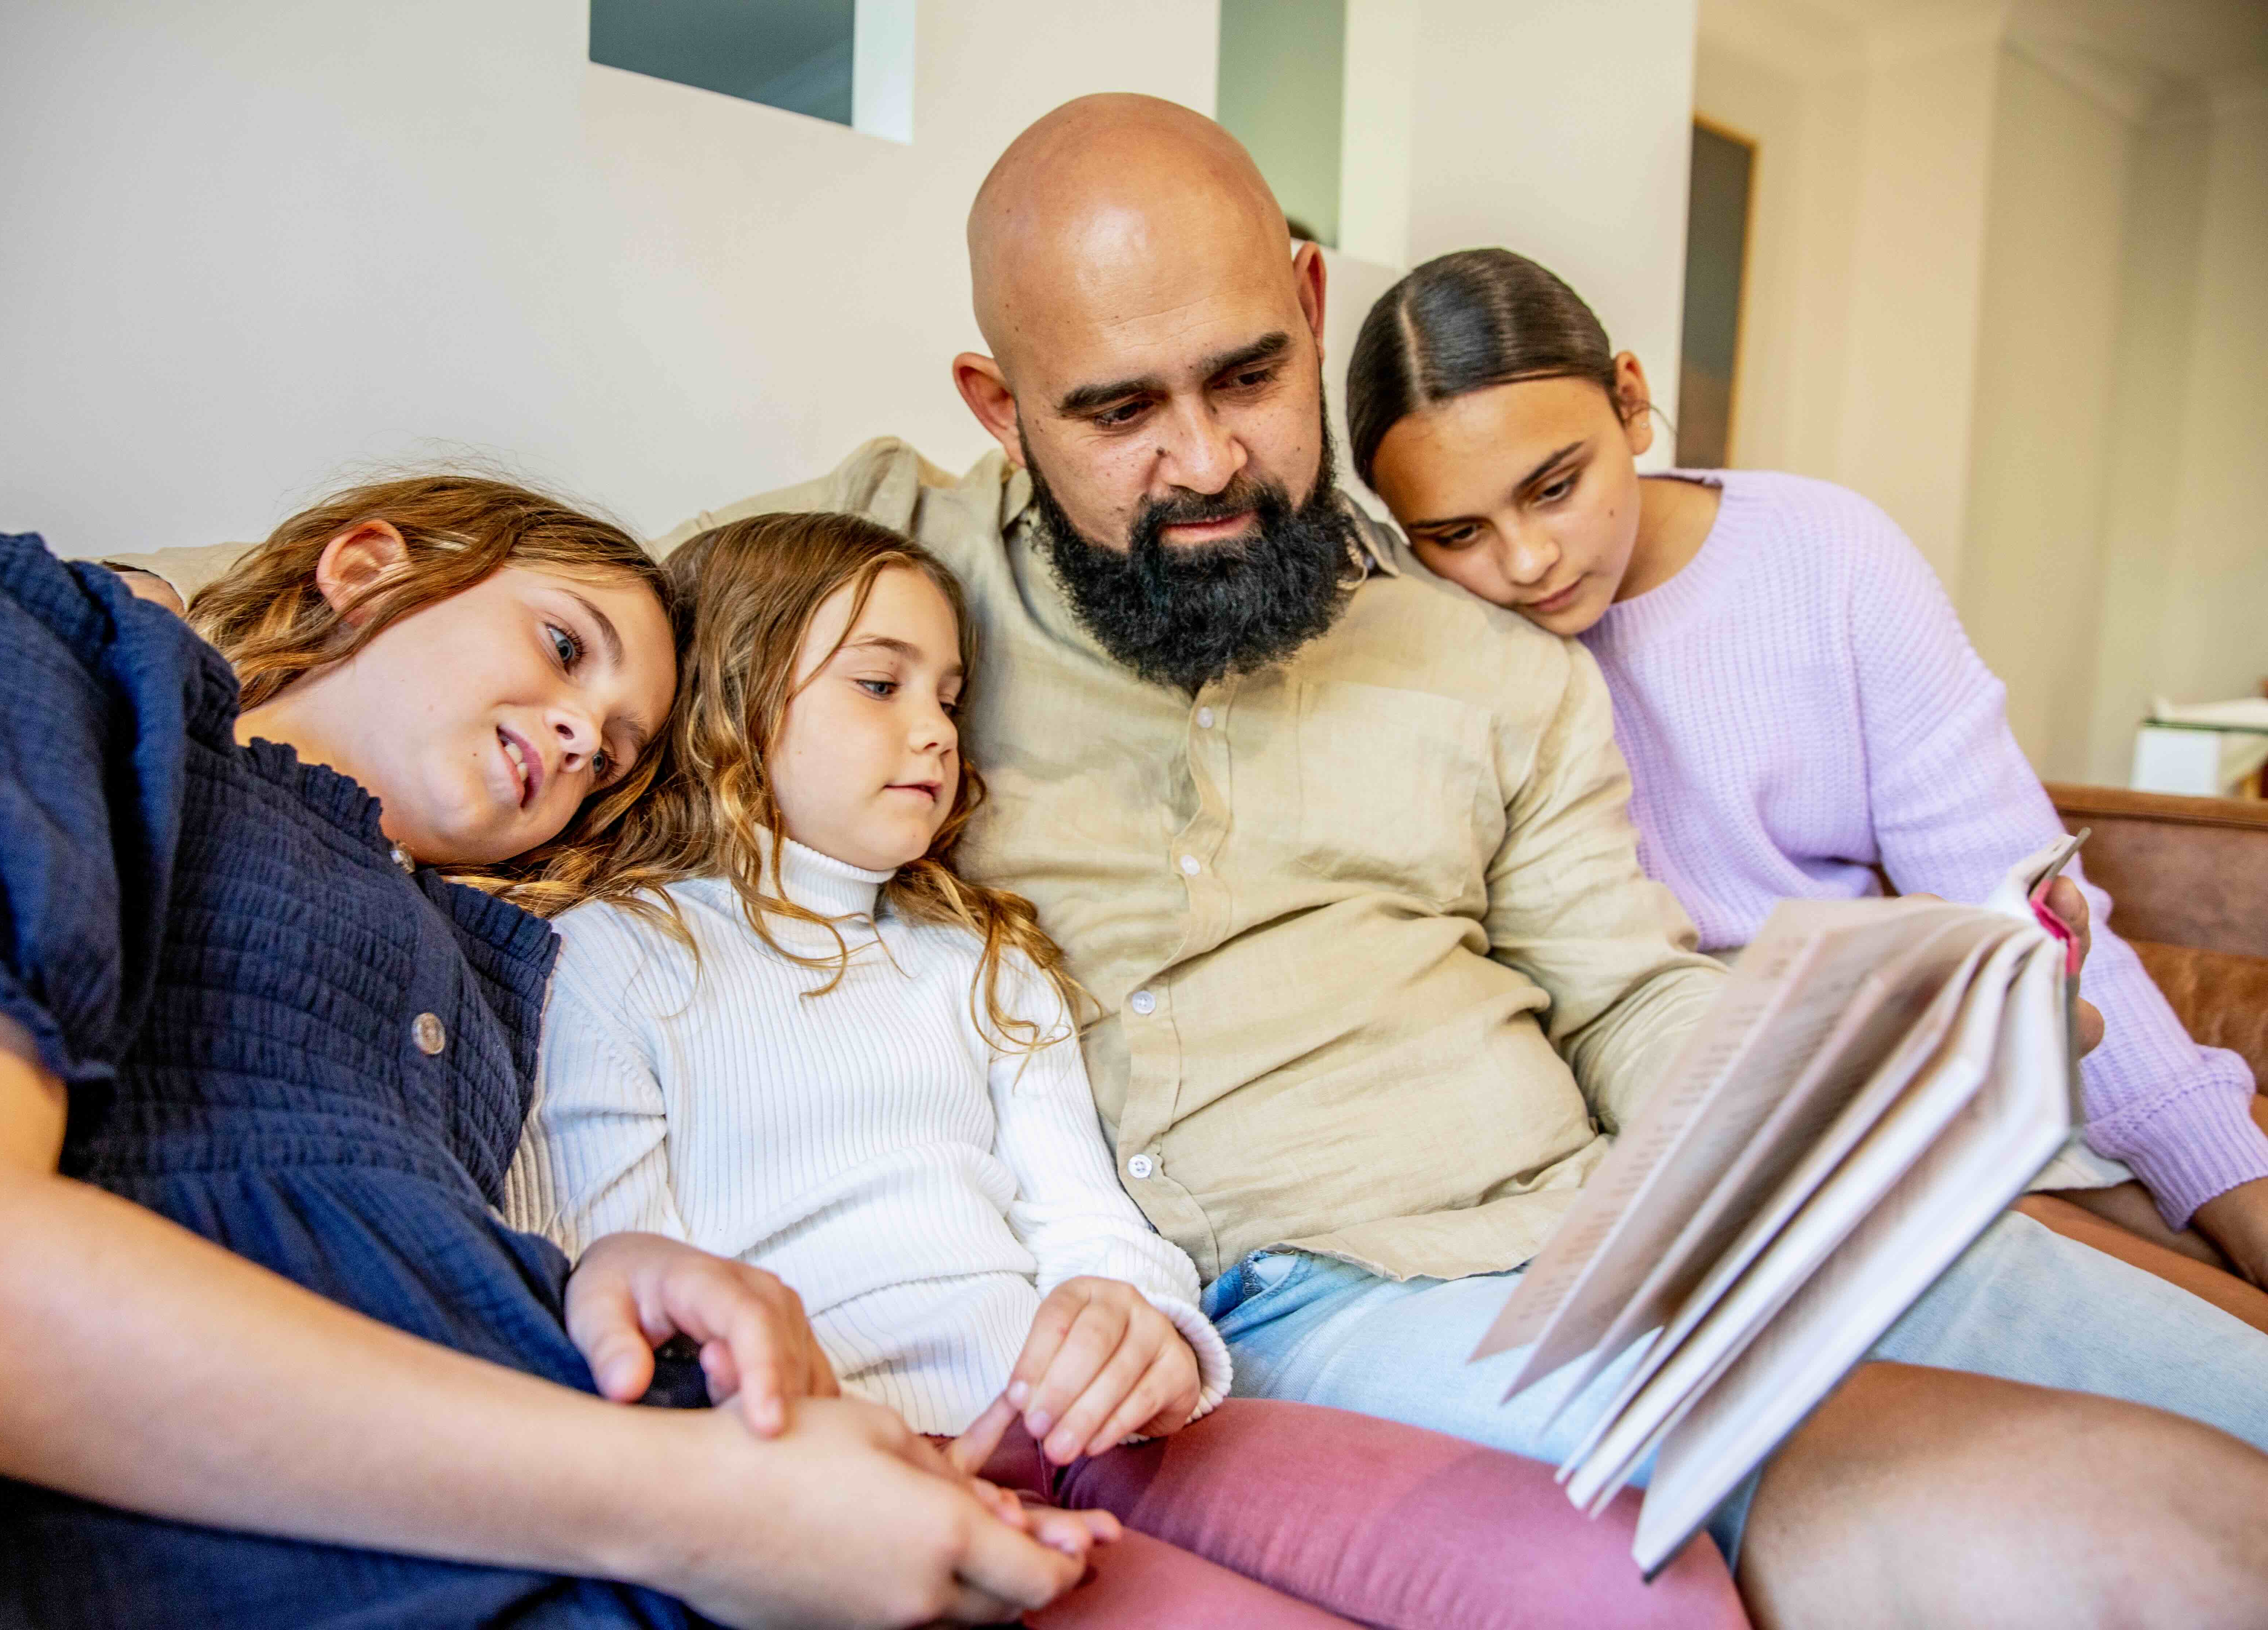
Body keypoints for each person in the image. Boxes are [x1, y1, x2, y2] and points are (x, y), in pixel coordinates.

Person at [635, 94, 2268, 1627]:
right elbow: (535, 673)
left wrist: (1819, 1109)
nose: (1204, 463)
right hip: (1323, 1291)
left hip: (1621, 1209)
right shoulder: (872, 587)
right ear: (998, 405)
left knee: (2230, 1400)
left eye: (1251, 377)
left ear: (1311, 300)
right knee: (2134, 1522)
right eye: (1120, 411)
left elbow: (1624, 996)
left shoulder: (1491, 659)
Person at [0, 477, 1099, 1628]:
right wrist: (698, 1498)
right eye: (563, 647)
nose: (578, 737)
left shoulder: (502, 963)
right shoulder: (95, 658)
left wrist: (614, 1282)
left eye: (614, 753)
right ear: (370, 564)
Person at [503, 510, 1747, 1628]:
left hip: (1092, 1429)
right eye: (880, 685)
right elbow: (609, 1301)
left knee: (1632, 1575)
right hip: (842, 1476)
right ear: (730, 694)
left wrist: (1137, 1319)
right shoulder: (613, 959)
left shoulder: (976, 961)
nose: (934, 731)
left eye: (950, 695)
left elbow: (1089, 1218)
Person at [1342, 247, 2268, 1321]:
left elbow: (2017, 901)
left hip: (1920, 1064)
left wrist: (2226, 1170)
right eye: (1457, 534)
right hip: (1707, 1128)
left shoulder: (1826, 555)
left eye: (1557, 488)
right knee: (2116, 1293)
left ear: (1632, 404)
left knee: (2195, 1232)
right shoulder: (1446, 656)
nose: (1528, 561)